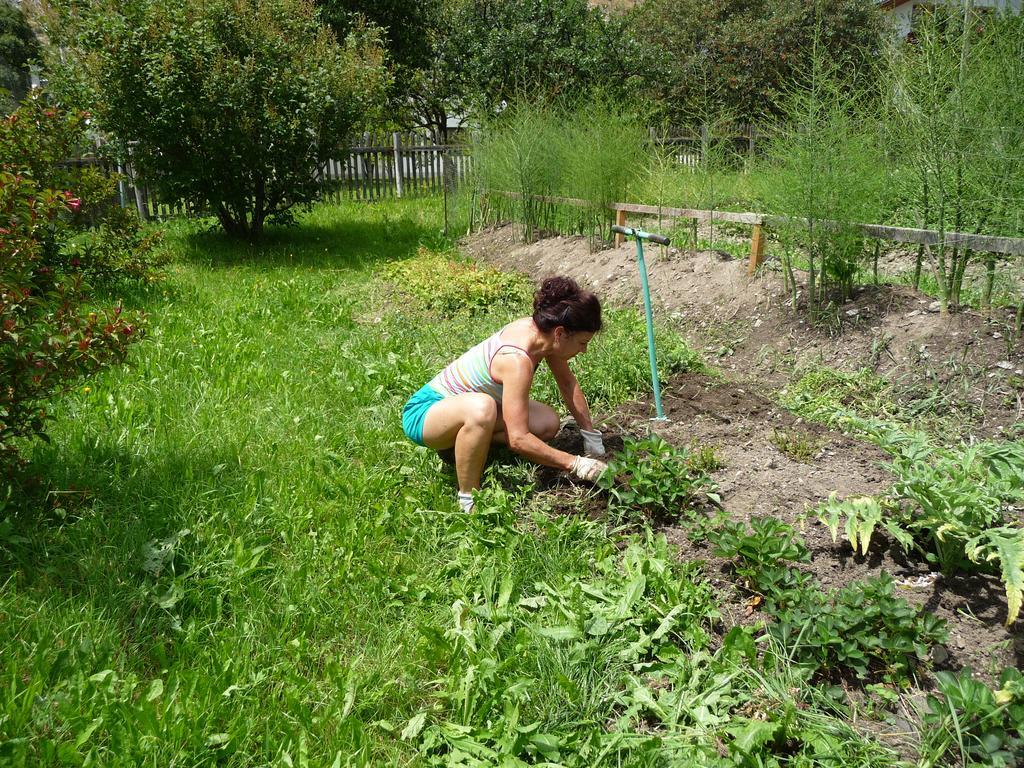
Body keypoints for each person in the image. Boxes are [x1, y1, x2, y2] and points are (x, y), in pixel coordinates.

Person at [402, 276, 609, 512]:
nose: (584, 350)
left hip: (462, 409)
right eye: (582, 343)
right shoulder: (516, 360)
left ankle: (463, 444)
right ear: (561, 334)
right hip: (425, 413)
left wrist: (590, 435)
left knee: (547, 422)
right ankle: (469, 499)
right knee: (482, 409)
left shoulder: (544, 332)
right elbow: (519, 439)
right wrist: (576, 464)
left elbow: (566, 382)